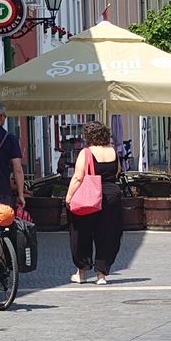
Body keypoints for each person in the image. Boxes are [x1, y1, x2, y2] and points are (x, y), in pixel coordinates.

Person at [66, 121, 123, 285]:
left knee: (81, 232)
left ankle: (82, 272)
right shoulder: (113, 151)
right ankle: (101, 275)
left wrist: (69, 198)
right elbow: (117, 171)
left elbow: (78, 177)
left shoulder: (86, 152)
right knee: (107, 234)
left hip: (90, 196)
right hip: (112, 195)